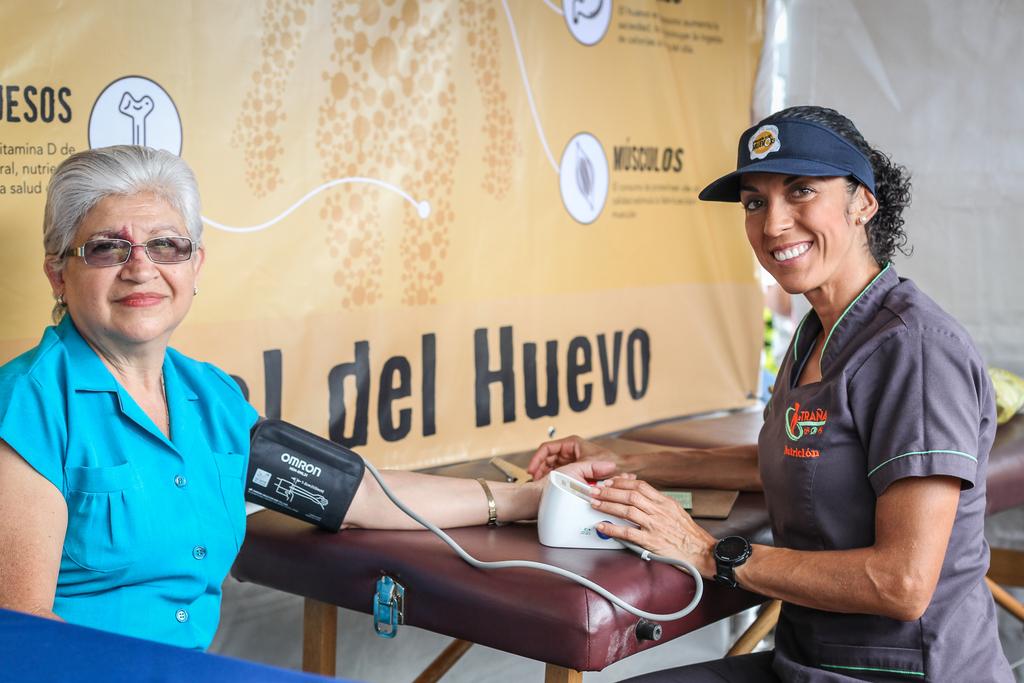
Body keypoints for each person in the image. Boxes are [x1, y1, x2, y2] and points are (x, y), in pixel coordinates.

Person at [0, 145, 613, 650]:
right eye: (107, 248)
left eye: (166, 245)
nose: (141, 267)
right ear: (59, 274)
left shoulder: (211, 397)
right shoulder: (27, 405)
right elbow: (21, 635)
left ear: (195, 266)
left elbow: (357, 495)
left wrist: (528, 498)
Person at [528, 106, 1013, 682]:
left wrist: (707, 553)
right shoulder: (817, 334)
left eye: (801, 191)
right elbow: (789, 456)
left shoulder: (914, 350)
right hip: (807, 661)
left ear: (863, 202)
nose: (774, 224)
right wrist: (622, 463)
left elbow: (901, 584)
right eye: (755, 202)